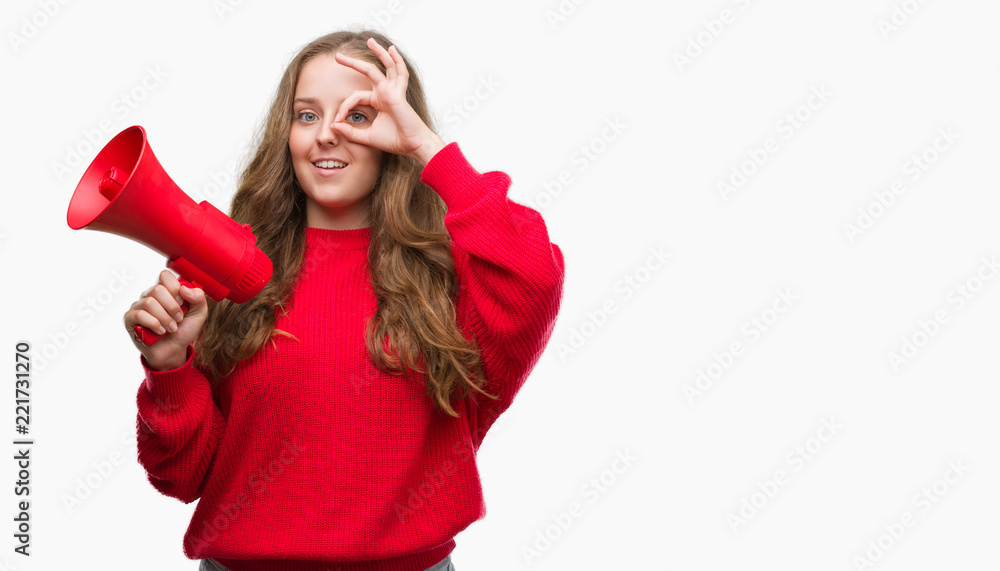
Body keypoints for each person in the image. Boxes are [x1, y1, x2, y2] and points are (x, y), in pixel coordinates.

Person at [124, 29, 565, 571]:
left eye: (359, 116)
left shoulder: (448, 277)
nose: (326, 135)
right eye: (306, 115)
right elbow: (182, 477)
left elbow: (535, 272)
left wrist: (426, 147)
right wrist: (169, 369)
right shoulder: (234, 266)